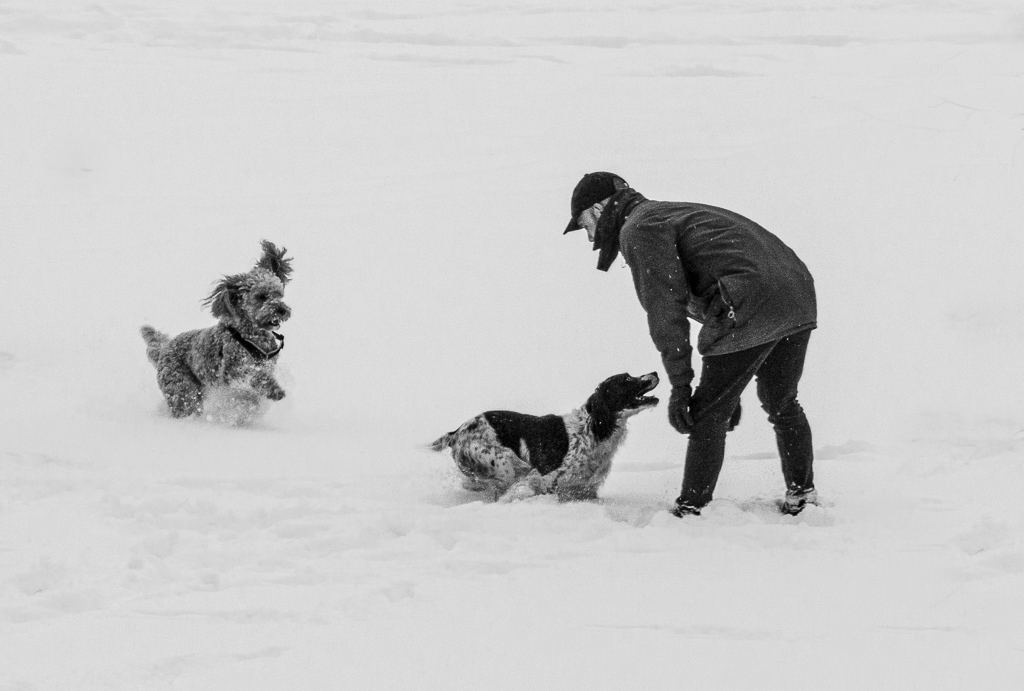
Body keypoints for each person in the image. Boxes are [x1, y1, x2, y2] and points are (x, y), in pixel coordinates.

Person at [563, 172, 818, 516]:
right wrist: (730, 380)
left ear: (598, 209)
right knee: (781, 401)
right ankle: (802, 495)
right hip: (796, 295)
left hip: (748, 301)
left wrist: (682, 386)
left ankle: (692, 509)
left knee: (707, 413)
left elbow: (665, 312)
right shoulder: (667, 212)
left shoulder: (639, 228)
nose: (590, 236)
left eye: (584, 224)